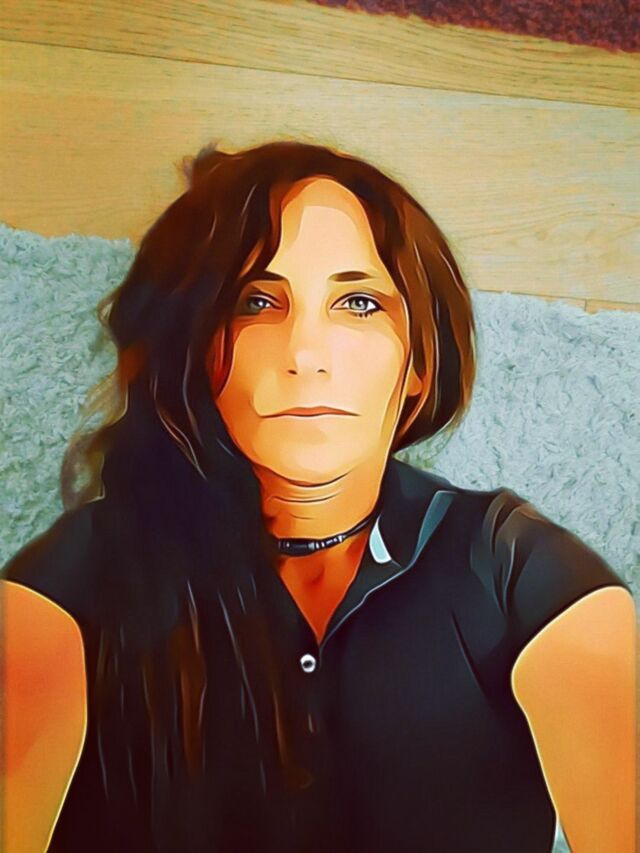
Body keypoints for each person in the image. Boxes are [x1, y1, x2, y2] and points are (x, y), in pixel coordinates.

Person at [1, 140, 635, 853]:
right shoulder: (72, 586)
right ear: (190, 351)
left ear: (419, 362)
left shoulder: (523, 578)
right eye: (256, 302)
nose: (306, 353)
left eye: (358, 303)